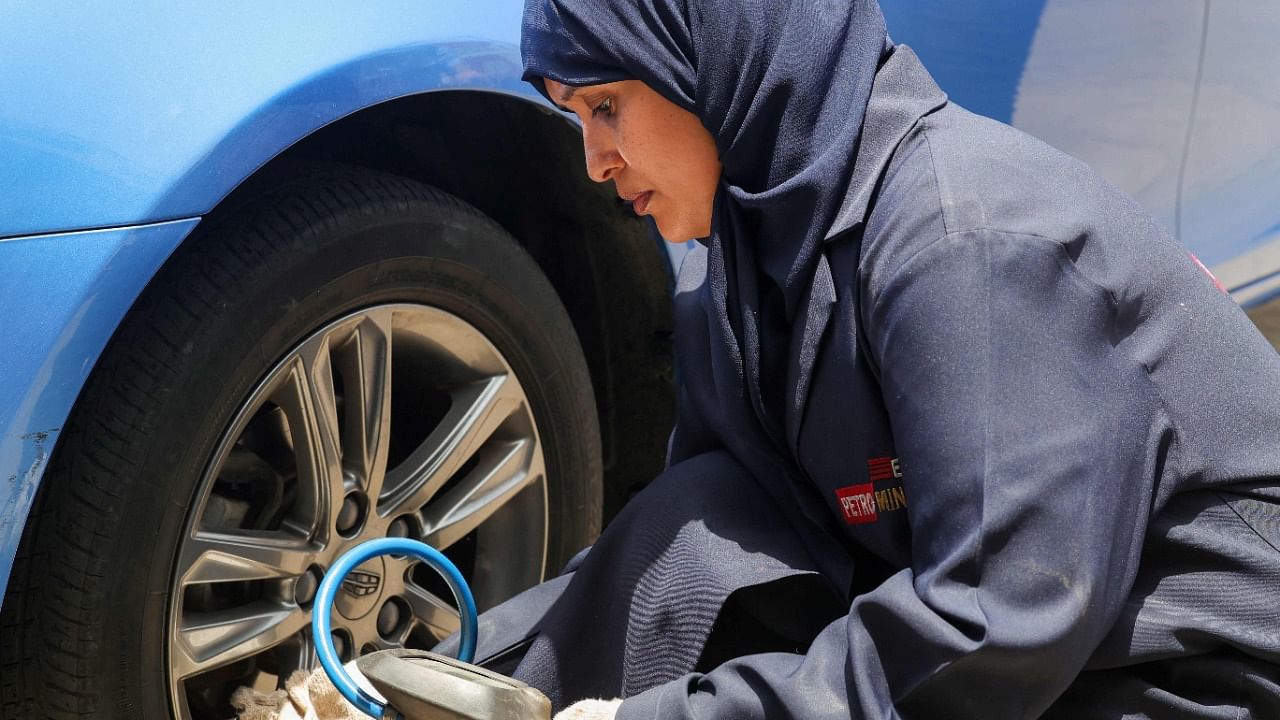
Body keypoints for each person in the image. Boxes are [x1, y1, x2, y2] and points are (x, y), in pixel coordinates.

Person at [238, 1, 1280, 718]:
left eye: (606, 107)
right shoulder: (744, 265)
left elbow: (994, 629)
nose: (593, 160)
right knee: (707, 522)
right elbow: (698, 545)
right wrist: (446, 680)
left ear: (719, 56)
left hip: (1193, 679)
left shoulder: (968, 244)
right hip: (1033, 654)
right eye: (573, 119)